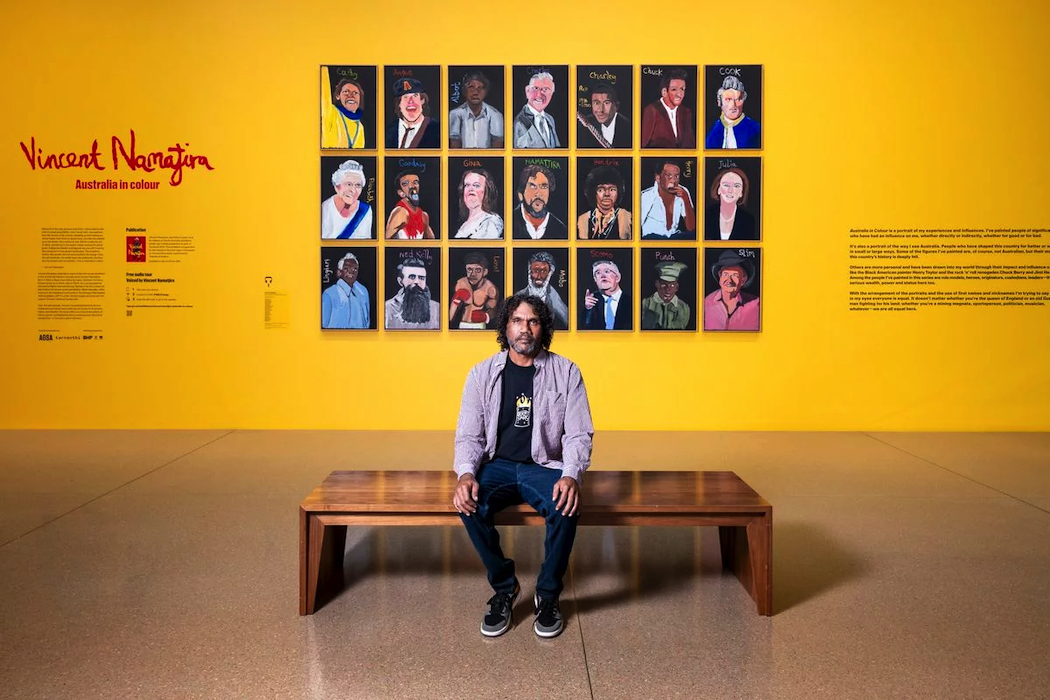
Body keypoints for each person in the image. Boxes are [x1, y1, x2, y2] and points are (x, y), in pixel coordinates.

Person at [453, 292, 593, 638]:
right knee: (468, 503)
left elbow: (578, 433)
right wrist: (467, 473)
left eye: (533, 321)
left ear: (543, 327)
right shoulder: (481, 374)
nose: (525, 329)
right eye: (517, 320)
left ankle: (546, 595)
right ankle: (504, 588)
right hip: (496, 464)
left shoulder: (566, 371)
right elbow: (468, 435)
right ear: (506, 327)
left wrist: (571, 475)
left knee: (566, 506)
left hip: (543, 465)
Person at [704, 250, 760, 331]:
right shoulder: (706, 303)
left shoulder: (756, 305)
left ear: (743, 280)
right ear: (720, 277)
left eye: (735, 275)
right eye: (725, 274)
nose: (729, 280)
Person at [638, 160, 695, 239]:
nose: (673, 181)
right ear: (658, 178)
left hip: (673, 239)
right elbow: (635, 228)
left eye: (677, 176)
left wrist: (685, 199)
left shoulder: (683, 192)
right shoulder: (646, 196)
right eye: (669, 176)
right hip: (651, 240)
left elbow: (691, 227)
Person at [640, 69, 695, 148]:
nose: (679, 94)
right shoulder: (652, 110)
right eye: (674, 89)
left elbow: (690, 144)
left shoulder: (686, 112)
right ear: (664, 92)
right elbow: (643, 145)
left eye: (682, 89)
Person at [448, 71, 504, 149]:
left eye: (480, 88)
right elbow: (454, 147)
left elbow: (498, 149)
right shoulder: (455, 114)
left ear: (486, 92)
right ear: (464, 90)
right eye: (471, 87)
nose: (476, 92)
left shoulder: (495, 115)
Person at [704, 75, 761, 150]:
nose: (733, 105)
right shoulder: (710, 130)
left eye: (738, 99)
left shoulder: (756, 129)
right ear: (719, 102)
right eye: (728, 99)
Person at [512, 164, 567, 240]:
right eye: (533, 186)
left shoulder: (561, 230)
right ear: (520, 194)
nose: (539, 193)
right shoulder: (509, 223)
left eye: (544, 186)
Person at [321, 160, 373, 239]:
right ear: (337, 187)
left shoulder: (366, 210)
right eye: (349, 184)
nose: (353, 190)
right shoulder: (324, 208)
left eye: (358, 185)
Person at [516, 251, 569, 328]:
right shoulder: (519, 296)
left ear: (549, 273)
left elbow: (569, 320)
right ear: (529, 272)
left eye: (543, 271)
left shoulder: (553, 295)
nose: (539, 276)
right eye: (536, 271)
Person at [577, 165, 631, 240]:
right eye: (601, 190)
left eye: (612, 189)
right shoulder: (583, 219)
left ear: (618, 192)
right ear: (593, 193)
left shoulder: (626, 217)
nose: (607, 194)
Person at [384, 257, 440, 330]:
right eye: (412, 277)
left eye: (421, 278)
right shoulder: (387, 309)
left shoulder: (436, 308)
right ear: (400, 281)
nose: (417, 281)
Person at [385, 78, 440, 149]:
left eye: (415, 96)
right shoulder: (387, 131)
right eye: (405, 97)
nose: (411, 101)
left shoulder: (437, 130)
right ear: (399, 104)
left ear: (422, 100)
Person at [450, 252, 499, 329]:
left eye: (478, 270)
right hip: (463, 324)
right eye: (469, 269)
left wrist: (486, 317)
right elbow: (449, 317)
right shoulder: (461, 283)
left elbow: (493, 310)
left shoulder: (490, 288)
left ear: (485, 272)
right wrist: (455, 301)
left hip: (479, 325)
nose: (473, 274)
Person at [704, 168, 756, 241]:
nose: (730, 190)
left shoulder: (748, 220)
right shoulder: (706, 215)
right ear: (718, 189)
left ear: (742, 192)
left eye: (736, 186)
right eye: (726, 185)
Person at [322, 252, 370, 329]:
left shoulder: (363, 291)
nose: (351, 271)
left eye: (355, 268)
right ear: (339, 272)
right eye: (346, 268)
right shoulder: (329, 294)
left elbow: (367, 322)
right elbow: (323, 325)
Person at [513, 72, 560, 149]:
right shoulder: (519, 123)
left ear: (551, 94)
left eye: (545, 89)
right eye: (535, 88)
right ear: (527, 91)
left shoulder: (550, 119)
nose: (539, 95)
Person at [453, 168, 504, 239]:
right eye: (467, 185)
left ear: (486, 191)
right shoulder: (465, 225)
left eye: (476, 185)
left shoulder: (490, 221)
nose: (471, 189)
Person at [385, 169, 435, 239]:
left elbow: (432, 242)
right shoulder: (400, 212)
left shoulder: (424, 216)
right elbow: (386, 241)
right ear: (401, 193)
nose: (412, 186)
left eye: (415, 182)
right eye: (406, 183)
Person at [577, 83, 630, 149]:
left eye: (606, 103)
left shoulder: (630, 128)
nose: (601, 110)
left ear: (616, 106)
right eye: (596, 103)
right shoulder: (582, 128)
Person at [321, 73, 366, 149]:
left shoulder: (360, 127)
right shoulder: (331, 112)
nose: (351, 95)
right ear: (338, 96)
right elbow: (323, 85)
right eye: (346, 92)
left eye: (355, 93)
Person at [640, 261, 690, 330]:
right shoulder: (645, 304)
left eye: (672, 285)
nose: (667, 289)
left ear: (677, 287)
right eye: (664, 284)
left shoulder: (683, 307)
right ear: (657, 284)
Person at [583, 260, 631, 330]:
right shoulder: (592, 300)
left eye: (607, 271)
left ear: (617, 277)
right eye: (598, 273)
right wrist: (588, 308)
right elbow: (584, 330)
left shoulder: (631, 301)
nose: (602, 276)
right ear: (595, 279)